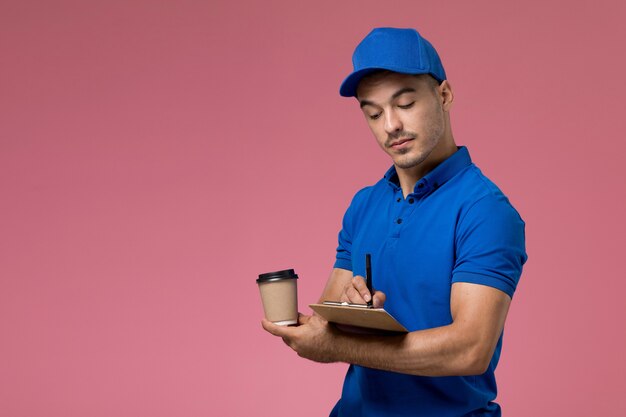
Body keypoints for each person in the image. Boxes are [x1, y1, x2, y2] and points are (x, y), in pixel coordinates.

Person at [261, 27, 527, 417]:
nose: (390, 126)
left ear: (444, 95)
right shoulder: (363, 204)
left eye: (404, 103)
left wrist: (335, 345)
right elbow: (330, 323)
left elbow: (470, 349)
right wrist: (352, 313)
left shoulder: (484, 210)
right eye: (373, 112)